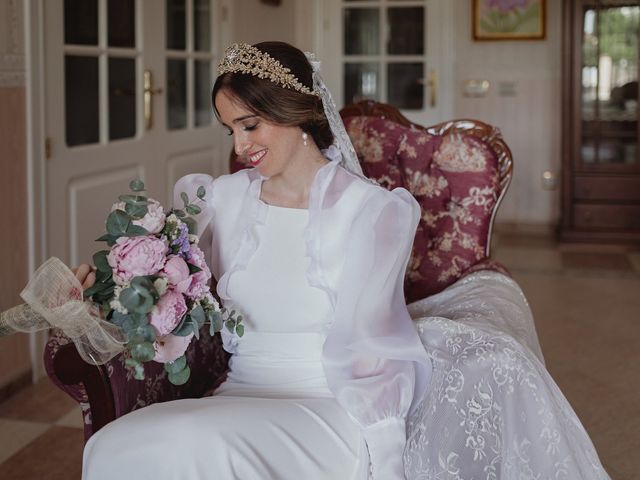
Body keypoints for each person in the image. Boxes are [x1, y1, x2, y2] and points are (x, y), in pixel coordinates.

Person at [78, 42, 610, 480]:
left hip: (325, 407)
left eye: (251, 125)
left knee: (194, 445)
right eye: (231, 130)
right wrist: (97, 299)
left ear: (296, 113)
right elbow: (164, 297)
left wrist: (389, 459)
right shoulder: (218, 199)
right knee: (118, 446)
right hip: (239, 391)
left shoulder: (370, 212)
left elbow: (372, 344)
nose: (240, 147)